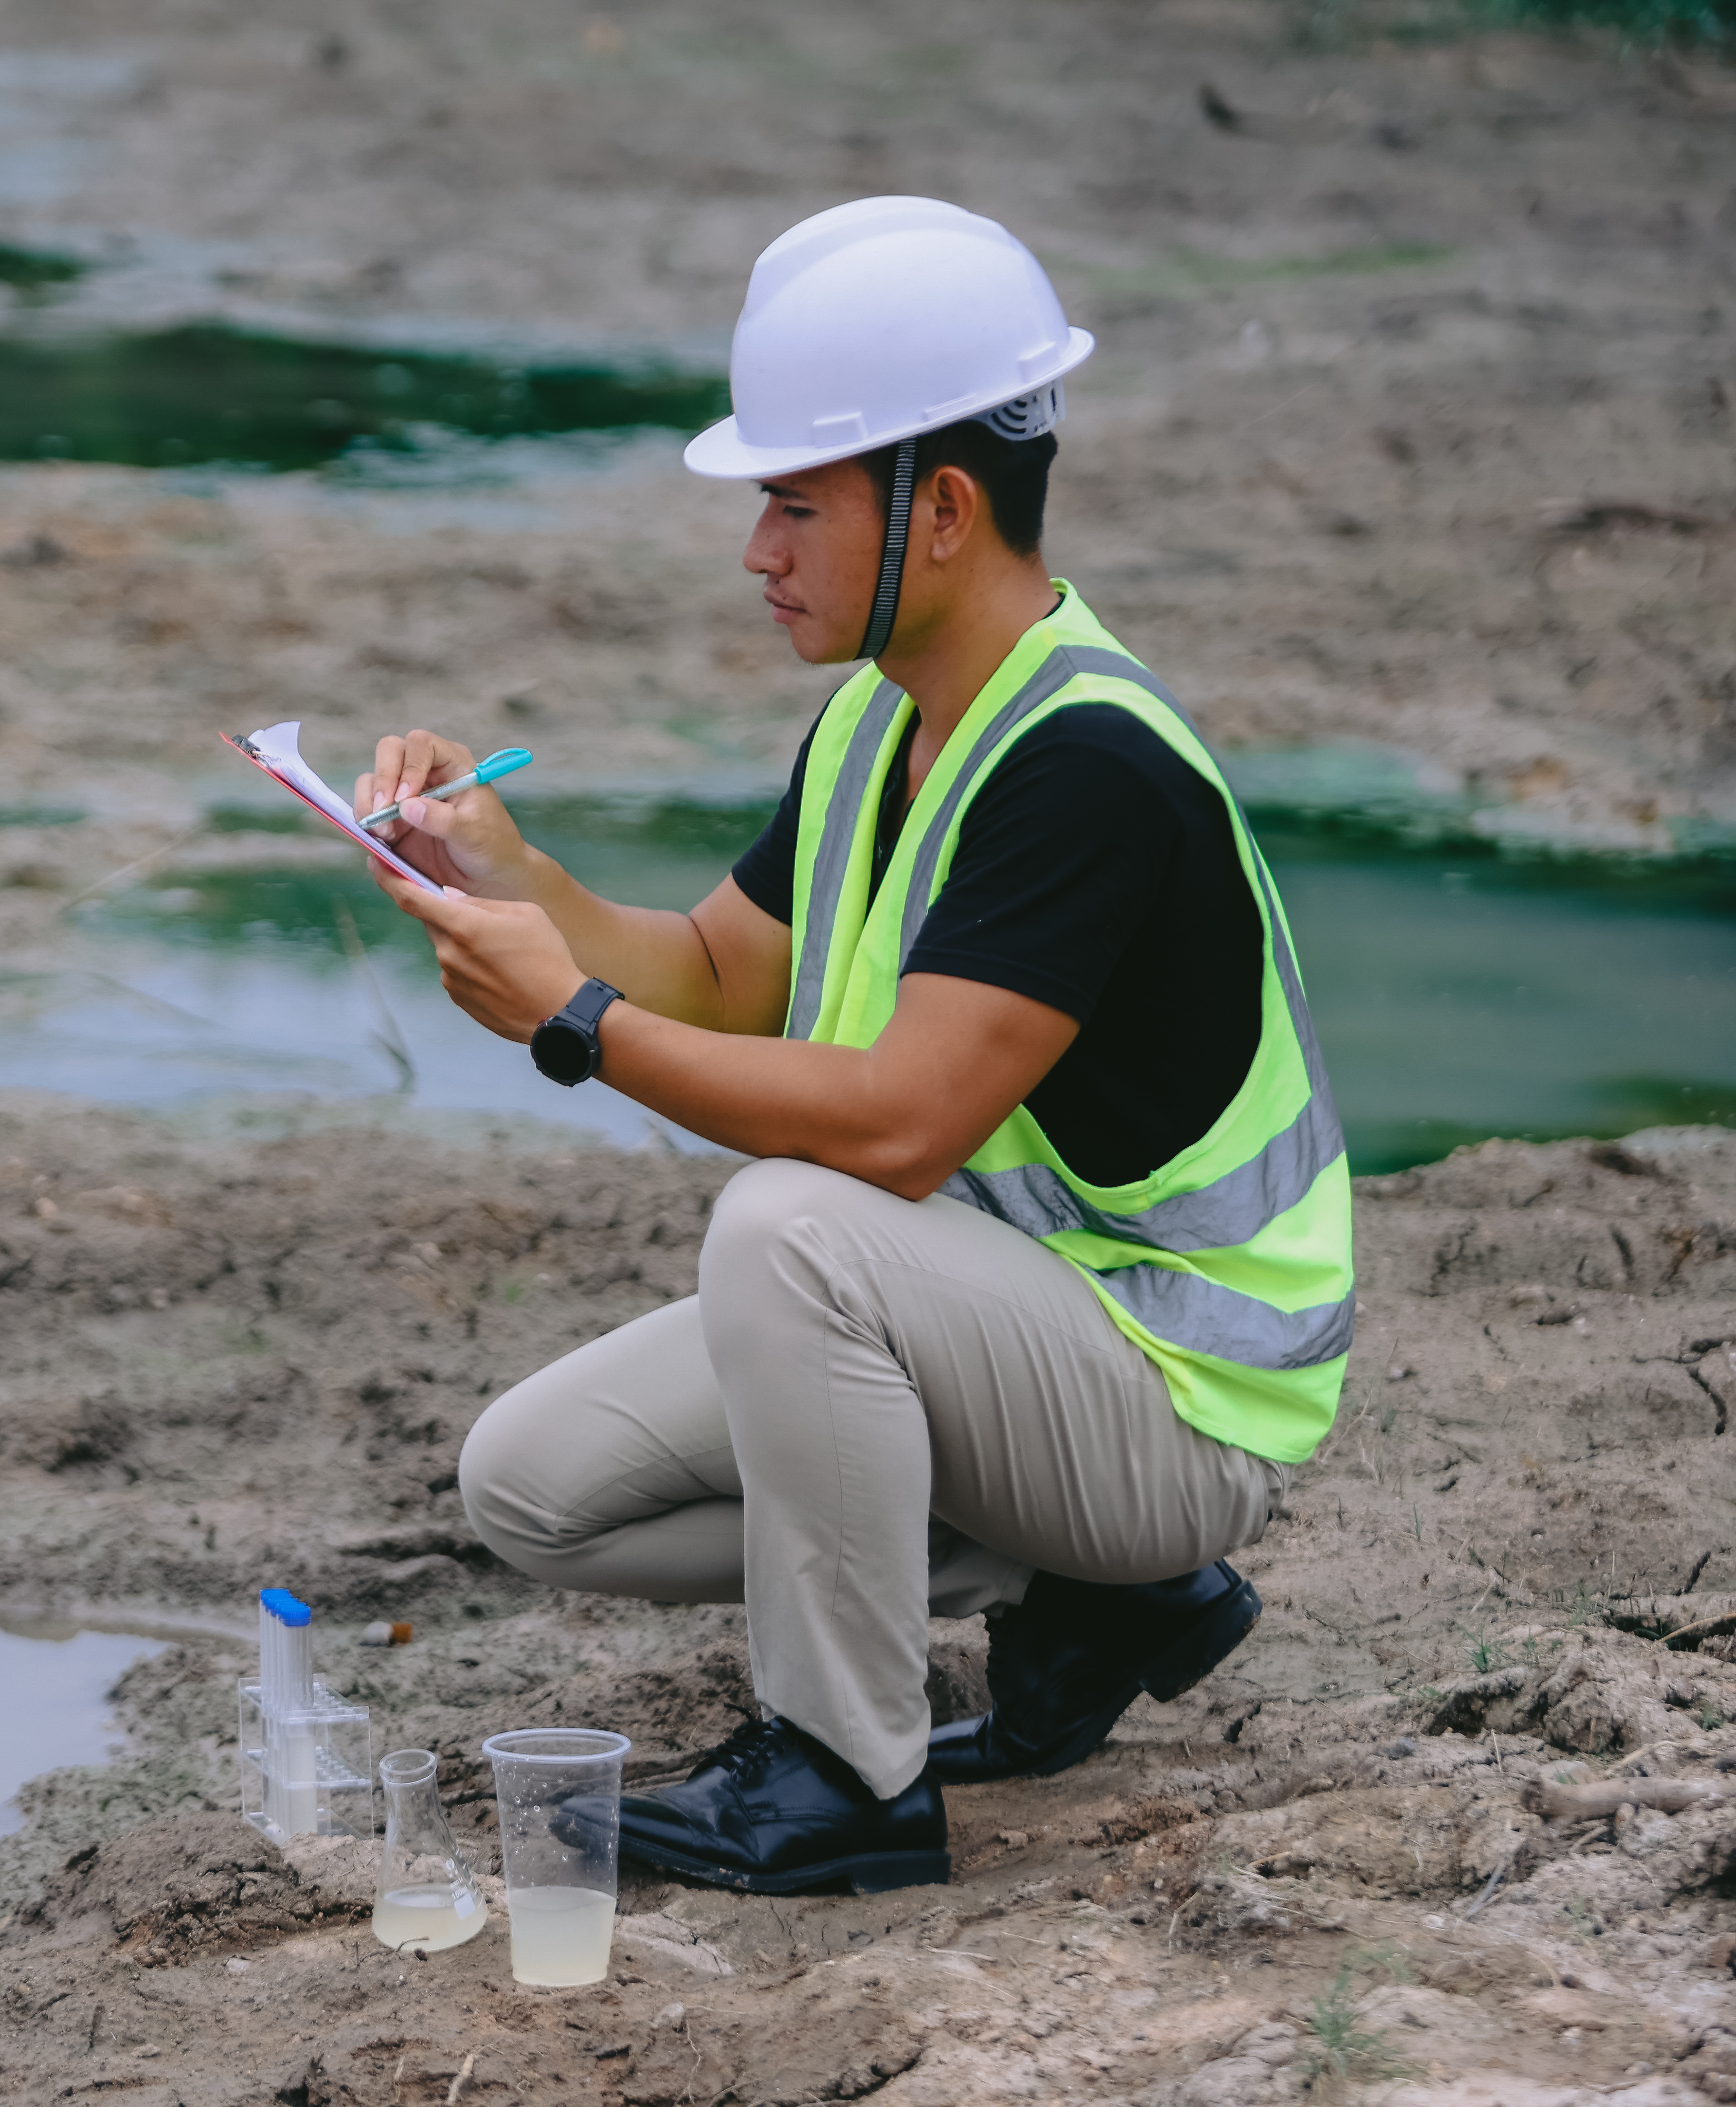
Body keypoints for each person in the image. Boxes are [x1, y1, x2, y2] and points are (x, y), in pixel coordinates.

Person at [352, 197, 1352, 1895]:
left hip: (1184, 1404)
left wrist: (574, 1028)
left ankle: (845, 1775)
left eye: (797, 504)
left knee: (791, 1226)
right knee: (533, 1488)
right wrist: (504, 874)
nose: (759, 551)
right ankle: (1094, 1596)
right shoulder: (882, 721)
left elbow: (894, 1131)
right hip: (1025, 1349)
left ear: (943, 508)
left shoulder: (1083, 764)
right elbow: (713, 976)